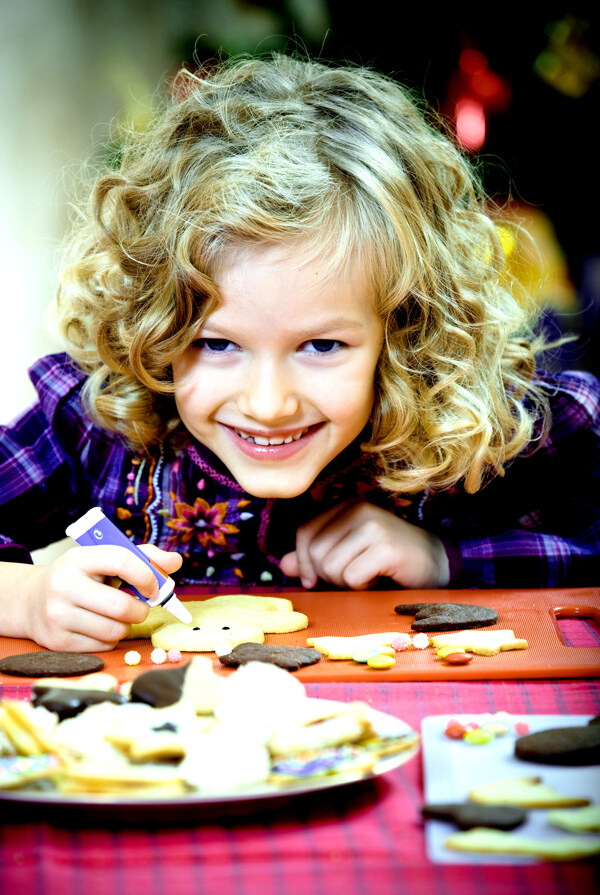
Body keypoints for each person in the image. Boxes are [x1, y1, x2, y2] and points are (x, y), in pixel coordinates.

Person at [0, 54, 598, 653]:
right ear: (153, 327)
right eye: (215, 343)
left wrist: (446, 558)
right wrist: (25, 598)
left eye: (321, 345)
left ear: (406, 330)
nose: (268, 404)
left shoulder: (477, 425)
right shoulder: (100, 424)